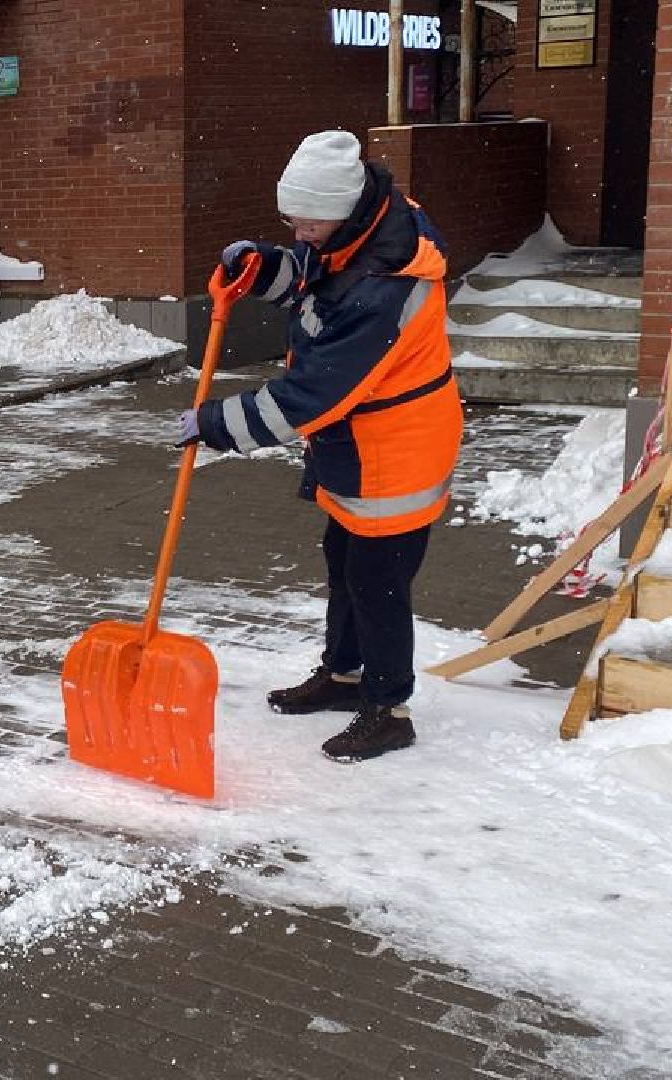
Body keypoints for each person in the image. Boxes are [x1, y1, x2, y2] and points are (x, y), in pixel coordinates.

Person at [177, 130, 462, 762]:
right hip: (354, 443)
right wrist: (267, 267)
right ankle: (343, 676)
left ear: (342, 211)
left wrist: (217, 423)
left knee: (378, 585)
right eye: (291, 222)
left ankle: (388, 710)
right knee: (343, 566)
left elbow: (311, 393)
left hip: (395, 449)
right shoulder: (363, 227)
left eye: (308, 224)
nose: (300, 233)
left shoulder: (387, 285)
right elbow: (318, 279)